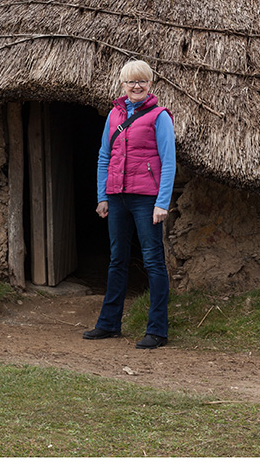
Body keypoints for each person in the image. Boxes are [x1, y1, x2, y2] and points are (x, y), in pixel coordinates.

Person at [82, 59, 176, 349]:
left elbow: (168, 162)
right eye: (131, 82)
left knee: (153, 262)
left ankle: (158, 330)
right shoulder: (113, 115)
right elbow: (103, 157)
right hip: (117, 197)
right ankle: (109, 325)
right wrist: (102, 195)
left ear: (150, 84)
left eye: (142, 81)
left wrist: (162, 202)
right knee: (117, 260)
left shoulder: (160, 117)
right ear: (122, 85)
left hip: (147, 199)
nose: (137, 86)